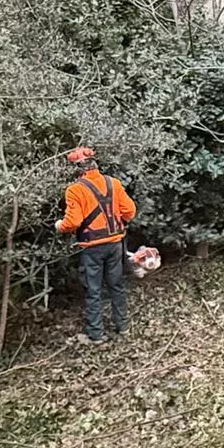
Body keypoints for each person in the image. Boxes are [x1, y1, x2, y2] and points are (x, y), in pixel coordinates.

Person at [56, 147, 137, 346]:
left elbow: (73, 222)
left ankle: (96, 334)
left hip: (92, 248)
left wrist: (60, 226)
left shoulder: (75, 190)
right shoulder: (113, 183)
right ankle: (123, 326)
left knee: (93, 290)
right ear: (94, 164)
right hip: (115, 243)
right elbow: (130, 211)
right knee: (116, 286)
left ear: (77, 169)